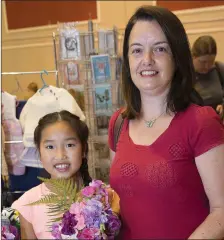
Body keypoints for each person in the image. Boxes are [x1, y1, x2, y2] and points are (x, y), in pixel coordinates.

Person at [108, 6, 224, 239]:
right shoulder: (119, 122)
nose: (147, 60)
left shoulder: (201, 122)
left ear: (177, 57)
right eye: (137, 50)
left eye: (160, 49)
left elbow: (221, 211)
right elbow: (120, 201)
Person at [11, 110, 92, 239]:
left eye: (70, 145)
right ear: (39, 153)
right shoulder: (27, 205)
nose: (60, 155)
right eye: (50, 147)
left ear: (83, 149)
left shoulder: (103, 195)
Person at [192, 35, 224, 116]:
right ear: (193, 56)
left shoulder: (219, 69)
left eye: (211, 62)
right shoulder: (184, 74)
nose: (207, 66)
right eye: (203, 62)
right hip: (194, 124)